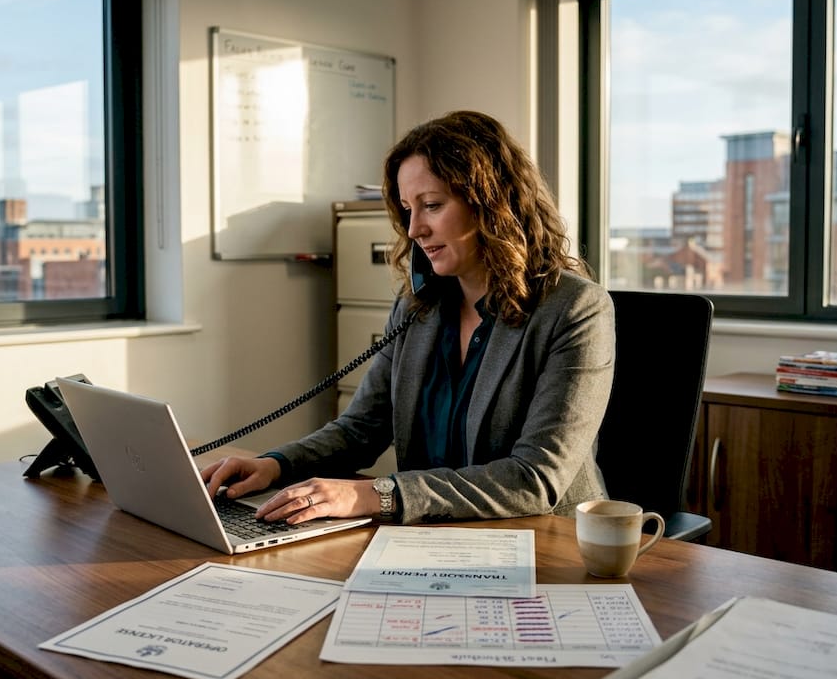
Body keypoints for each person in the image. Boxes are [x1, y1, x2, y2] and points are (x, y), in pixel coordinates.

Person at [201, 110, 615, 525]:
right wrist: (275, 465)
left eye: (432, 205)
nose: (414, 229)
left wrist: (376, 493)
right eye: (406, 209)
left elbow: (534, 479)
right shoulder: (419, 306)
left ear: (493, 204)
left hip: (546, 539)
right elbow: (360, 429)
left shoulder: (575, 309)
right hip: (430, 537)